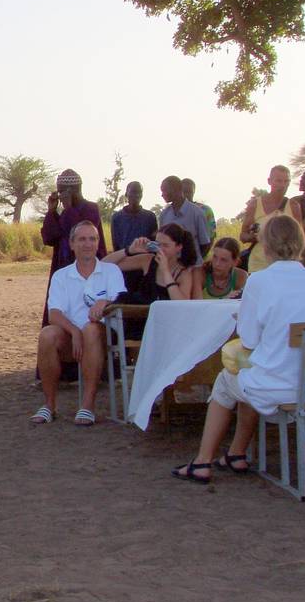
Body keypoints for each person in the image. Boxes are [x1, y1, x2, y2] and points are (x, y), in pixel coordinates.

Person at [172, 215, 305, 484]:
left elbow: (248, 340)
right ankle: (236, 453)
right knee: (248, 373)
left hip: (277, 385)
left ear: (265, 245)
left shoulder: (258, 281)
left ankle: (202, 461)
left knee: (227, 380)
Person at [30, 221, 125, 426]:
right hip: (72, 338)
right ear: (72, 244)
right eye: (82, 239)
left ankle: (87, 405)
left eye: (92, 239)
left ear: (98, 243)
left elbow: (121, 301)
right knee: (47, 334)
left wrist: (105, 302)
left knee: (91, 329)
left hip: (103, 337)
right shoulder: (61, 275)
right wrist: (74, 332)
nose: (87, 244)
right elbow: (54, 314)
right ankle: (49, 405)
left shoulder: (111, 271)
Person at [40, 169, 105, 327]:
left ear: (73, 190)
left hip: (86, 271)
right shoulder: (65, 213)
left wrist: (69, 208)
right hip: (63, 268)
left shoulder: (91, 209)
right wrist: (51, 211)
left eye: (62, 192)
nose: (59, 196)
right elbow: (49, 238)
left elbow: (81, 232)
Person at [102, 223, 198, 303]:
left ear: (179, 247)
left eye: (165, 245)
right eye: (157, 244)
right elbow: (104, 264)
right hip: (137, 315)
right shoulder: (148, 260)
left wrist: (166, 272)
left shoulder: (183, 274)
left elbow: (182, 304)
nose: (160, 249)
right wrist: (128, 250)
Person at [240, 165, 302, 274]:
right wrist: (259, 236)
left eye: (286, 181)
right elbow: (243, 236)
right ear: (269, 181)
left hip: (285, 266)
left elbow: (300, 240)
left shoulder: (294, 206)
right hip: (258, 265)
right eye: (278, 181)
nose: (282, 185)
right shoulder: (255, 205)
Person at [159, 175, 212, 263]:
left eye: (164, 190)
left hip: (193, 266)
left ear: (176, 189)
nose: (162, 194)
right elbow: (161, 242)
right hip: (171, 266)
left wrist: (193, 261)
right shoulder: (164, 214)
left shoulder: (197, 213)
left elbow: (205, 244)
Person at [110, 181, 157, 253]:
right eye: (133, 192)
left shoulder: (150, 217)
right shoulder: (117, 218)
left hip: (144, 258)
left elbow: (153, 243)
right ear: (126, 194)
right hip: (123, 257)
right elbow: (116, 245)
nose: (137, 195)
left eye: (139, 192)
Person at [181, 178, 217, 245]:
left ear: (194, 192)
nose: (187, 195)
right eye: (184, 192)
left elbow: (211, 237)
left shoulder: (205, 210)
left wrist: (202, 252)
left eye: (189, 192)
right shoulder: (171, 212)